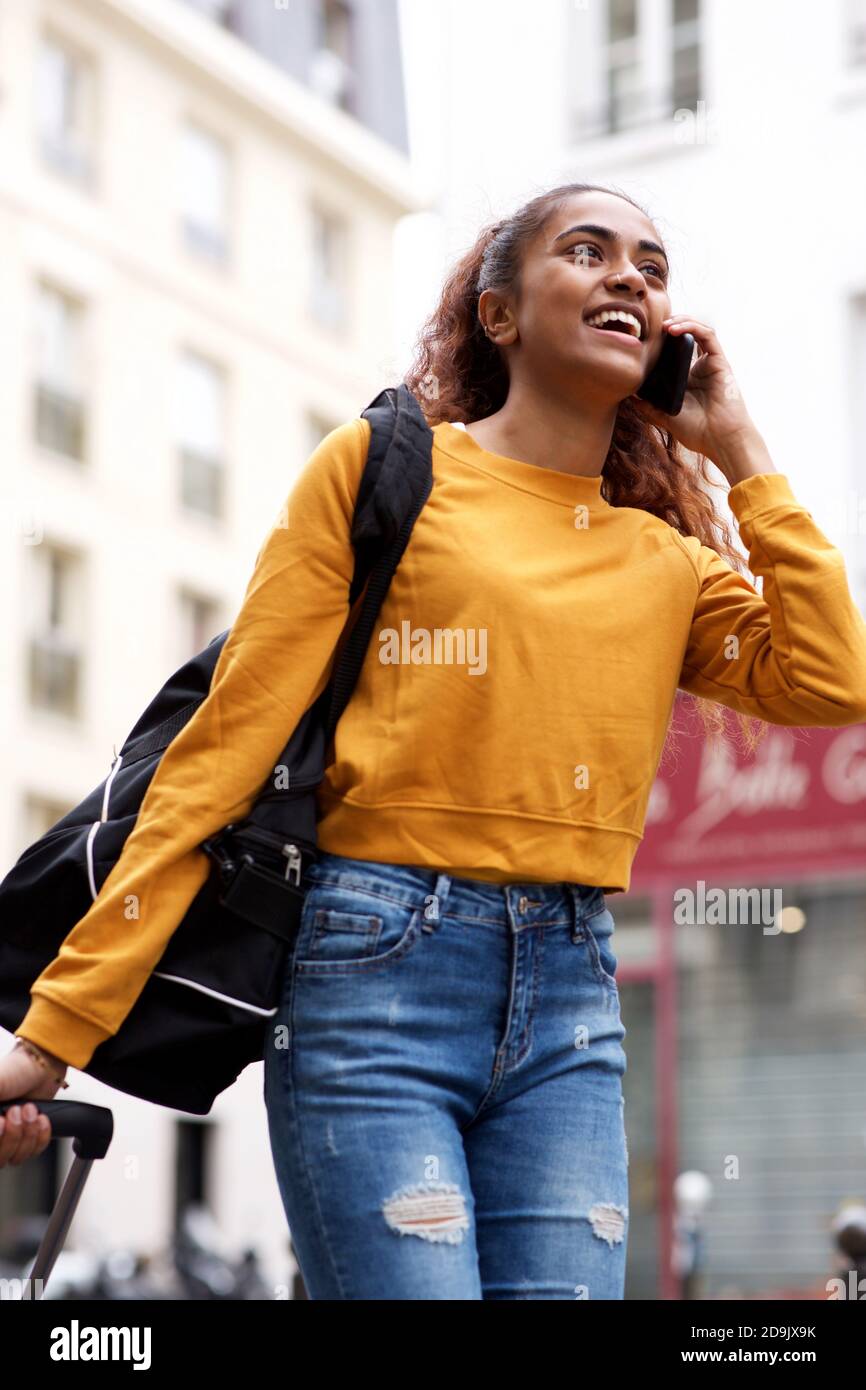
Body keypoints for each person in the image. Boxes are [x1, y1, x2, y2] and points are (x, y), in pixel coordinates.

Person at [3, 181, 866, 1301]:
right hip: (372, 981)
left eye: (650, 269)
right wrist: (56, 1029)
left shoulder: (665, 564)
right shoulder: (381, 471)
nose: (629, 279)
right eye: (588, 251)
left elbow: (831, 676)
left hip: (571, 997)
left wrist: (738, 446)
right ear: (497, 314)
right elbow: (212, 767)